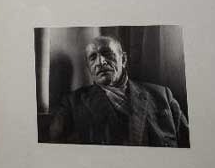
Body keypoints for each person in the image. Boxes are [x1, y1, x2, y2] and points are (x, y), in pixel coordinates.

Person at [48, 35, 189, 147]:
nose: (100, 62)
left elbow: (187, 142)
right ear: (89, 68)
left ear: (124, 59)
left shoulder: (162, 95)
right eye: (93, 57)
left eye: (107, 54)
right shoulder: (73, 103)